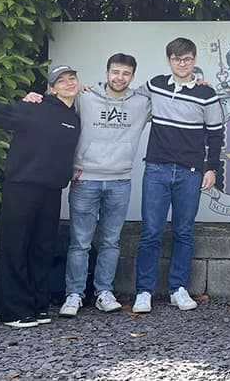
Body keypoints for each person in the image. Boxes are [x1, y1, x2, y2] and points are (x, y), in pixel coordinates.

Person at [0, 65, 81, 327]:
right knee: (16, 246)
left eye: (72, 78)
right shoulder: (32, 107)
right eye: (62, 80)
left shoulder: (75, 116)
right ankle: (13, 311)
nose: (69, 83)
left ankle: (37, 306)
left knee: (42, 248)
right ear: (52, 87)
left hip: (51, 190)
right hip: (22, 187)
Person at [28, 54, 150, 317]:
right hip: (86, 180)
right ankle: (74, 294)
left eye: (126, 73)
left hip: (120, 179)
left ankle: (104, 292)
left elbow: (175, 101)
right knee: (79, 242)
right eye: (115, 72)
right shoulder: (85, 97)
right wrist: (34, 97)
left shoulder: (142, 103)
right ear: (107, 73)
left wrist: (200, 84)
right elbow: (56, 103)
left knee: (111, 241)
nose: (120, 78)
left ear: (132, 76)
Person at [132, 38, 224, 313]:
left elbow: (216, 135)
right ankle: (144, 292)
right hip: (157, 169)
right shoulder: (155, 85)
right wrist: (90, 89)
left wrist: (212, 169)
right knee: (150, 232)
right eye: (176, 59)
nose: (181, 63)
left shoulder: (207, 94)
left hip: (191, 171)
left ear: (194, 60)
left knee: (184, 231)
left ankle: (178, 289)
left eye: (186, 59)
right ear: (169, 61)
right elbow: (122, 96)